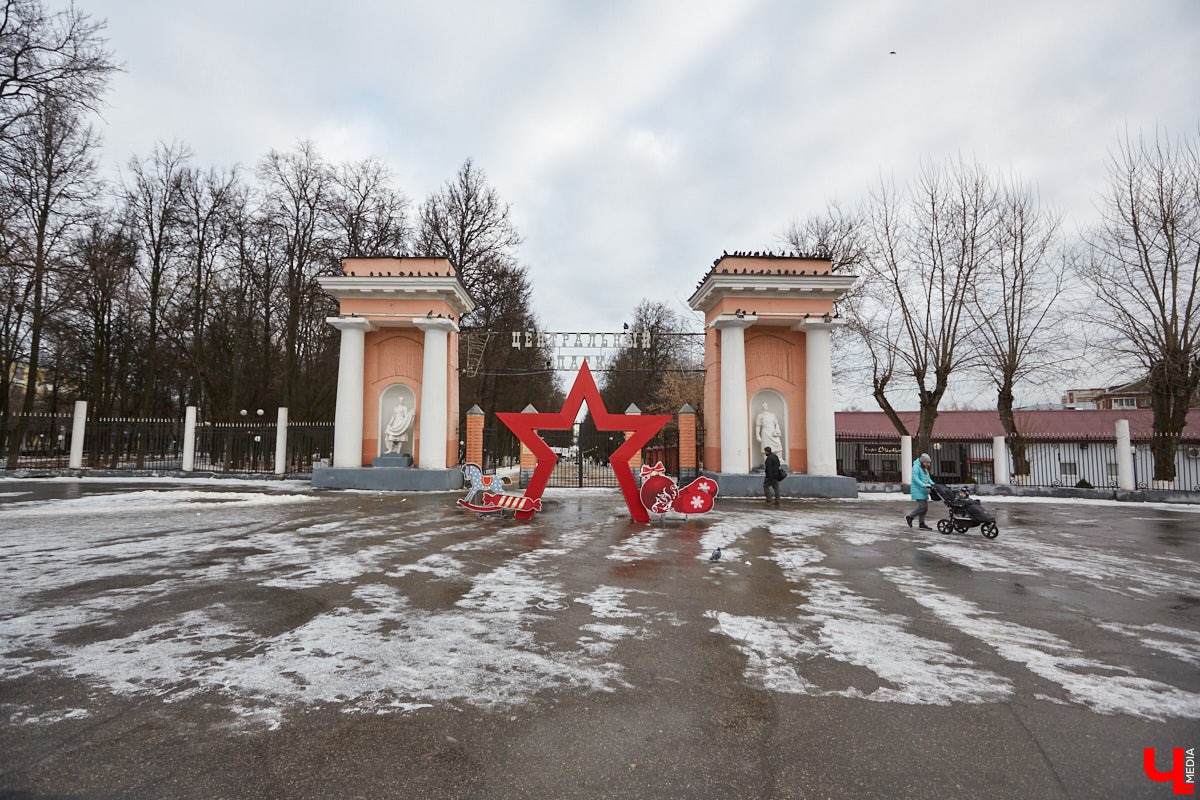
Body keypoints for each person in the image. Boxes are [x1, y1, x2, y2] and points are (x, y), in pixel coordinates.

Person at [906, 452, 934, 530]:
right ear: (922, 461)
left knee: (925, 508)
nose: (928, 464)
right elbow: (915, 479)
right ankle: (910, 517)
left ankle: (921, 523)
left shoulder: (924, 468)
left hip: (923, 490)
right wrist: (923, 485)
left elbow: (928, 479)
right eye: (927, 462)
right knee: (923, 506)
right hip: (918, 490)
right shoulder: (916, 467)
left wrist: (934, 484)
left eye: (929, 462)